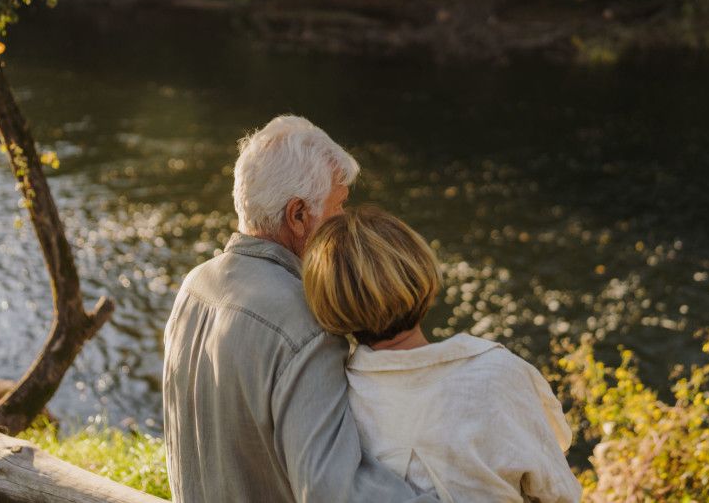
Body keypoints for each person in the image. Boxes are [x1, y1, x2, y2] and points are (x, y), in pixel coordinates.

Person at [162, 116, 437, 502]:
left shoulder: (194, 286)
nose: (344, 221)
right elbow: (334, 492)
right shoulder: (309, 324)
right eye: (339, 206)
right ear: (298, 216)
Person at [302, 206, 583, 503]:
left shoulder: (337, 400)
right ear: (419, 269)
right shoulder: (497, 373)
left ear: (330, 303)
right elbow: (558, 493)